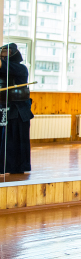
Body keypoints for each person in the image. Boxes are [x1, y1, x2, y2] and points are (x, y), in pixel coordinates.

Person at [0, 43, 34, 174]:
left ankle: (16, 167)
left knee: (15, 140)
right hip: (4, 109)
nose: (3, 56)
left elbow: (4, 66)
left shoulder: (20, 68)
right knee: (4, 139)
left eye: (6, 54)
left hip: (19, 110)